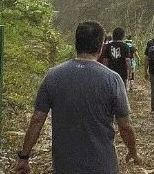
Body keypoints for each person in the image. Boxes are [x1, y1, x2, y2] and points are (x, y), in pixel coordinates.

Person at [14, 21, 142, 174]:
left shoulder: (53, 76)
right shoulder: (112, 79)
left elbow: (37, 119)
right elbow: (125, 126)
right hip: (102, 165)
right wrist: (132, 151)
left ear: (76, 44)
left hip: (65, 166)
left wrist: (24, 157)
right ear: (101, 46)